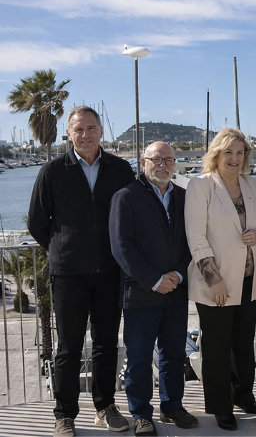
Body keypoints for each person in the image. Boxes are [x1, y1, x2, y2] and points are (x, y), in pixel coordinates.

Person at [28, 106, 135, 437]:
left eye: (91, 128)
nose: (85, 135)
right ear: (69, 133)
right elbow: (37, 223)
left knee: (106, 344)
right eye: (79, 129)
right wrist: (63, 249)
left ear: (101, 131)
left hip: (110, 273)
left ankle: (106, 407)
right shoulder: (52, 171)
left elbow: (131, 216)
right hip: (68, 276)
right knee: (68, 348)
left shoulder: (120, 169)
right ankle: (65, 415)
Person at [185, 128, 256, 431]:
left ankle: (242, 395)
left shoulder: (253, 185)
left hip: (250, 278)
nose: (235, 158)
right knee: (217, 346)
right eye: (228, 152)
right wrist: (214, 280)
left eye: (240, 152)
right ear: (217, 154)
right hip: (217, 281)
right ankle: (220, 406)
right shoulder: (201, 186)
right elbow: (196, 238)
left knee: (243, 344)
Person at [109, 142, 198, 435]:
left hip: (176, 291)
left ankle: (172, 406)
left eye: (168, 160)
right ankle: (141, 414)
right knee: (139, 357)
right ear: (143, 162)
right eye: (156, 159)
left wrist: (178, 275)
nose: (163, 165)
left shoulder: (185, 197)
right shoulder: (126, 197)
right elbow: (122, 247)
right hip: (141, 293)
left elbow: (193, 240)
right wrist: (155, 280)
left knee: (174, 354)